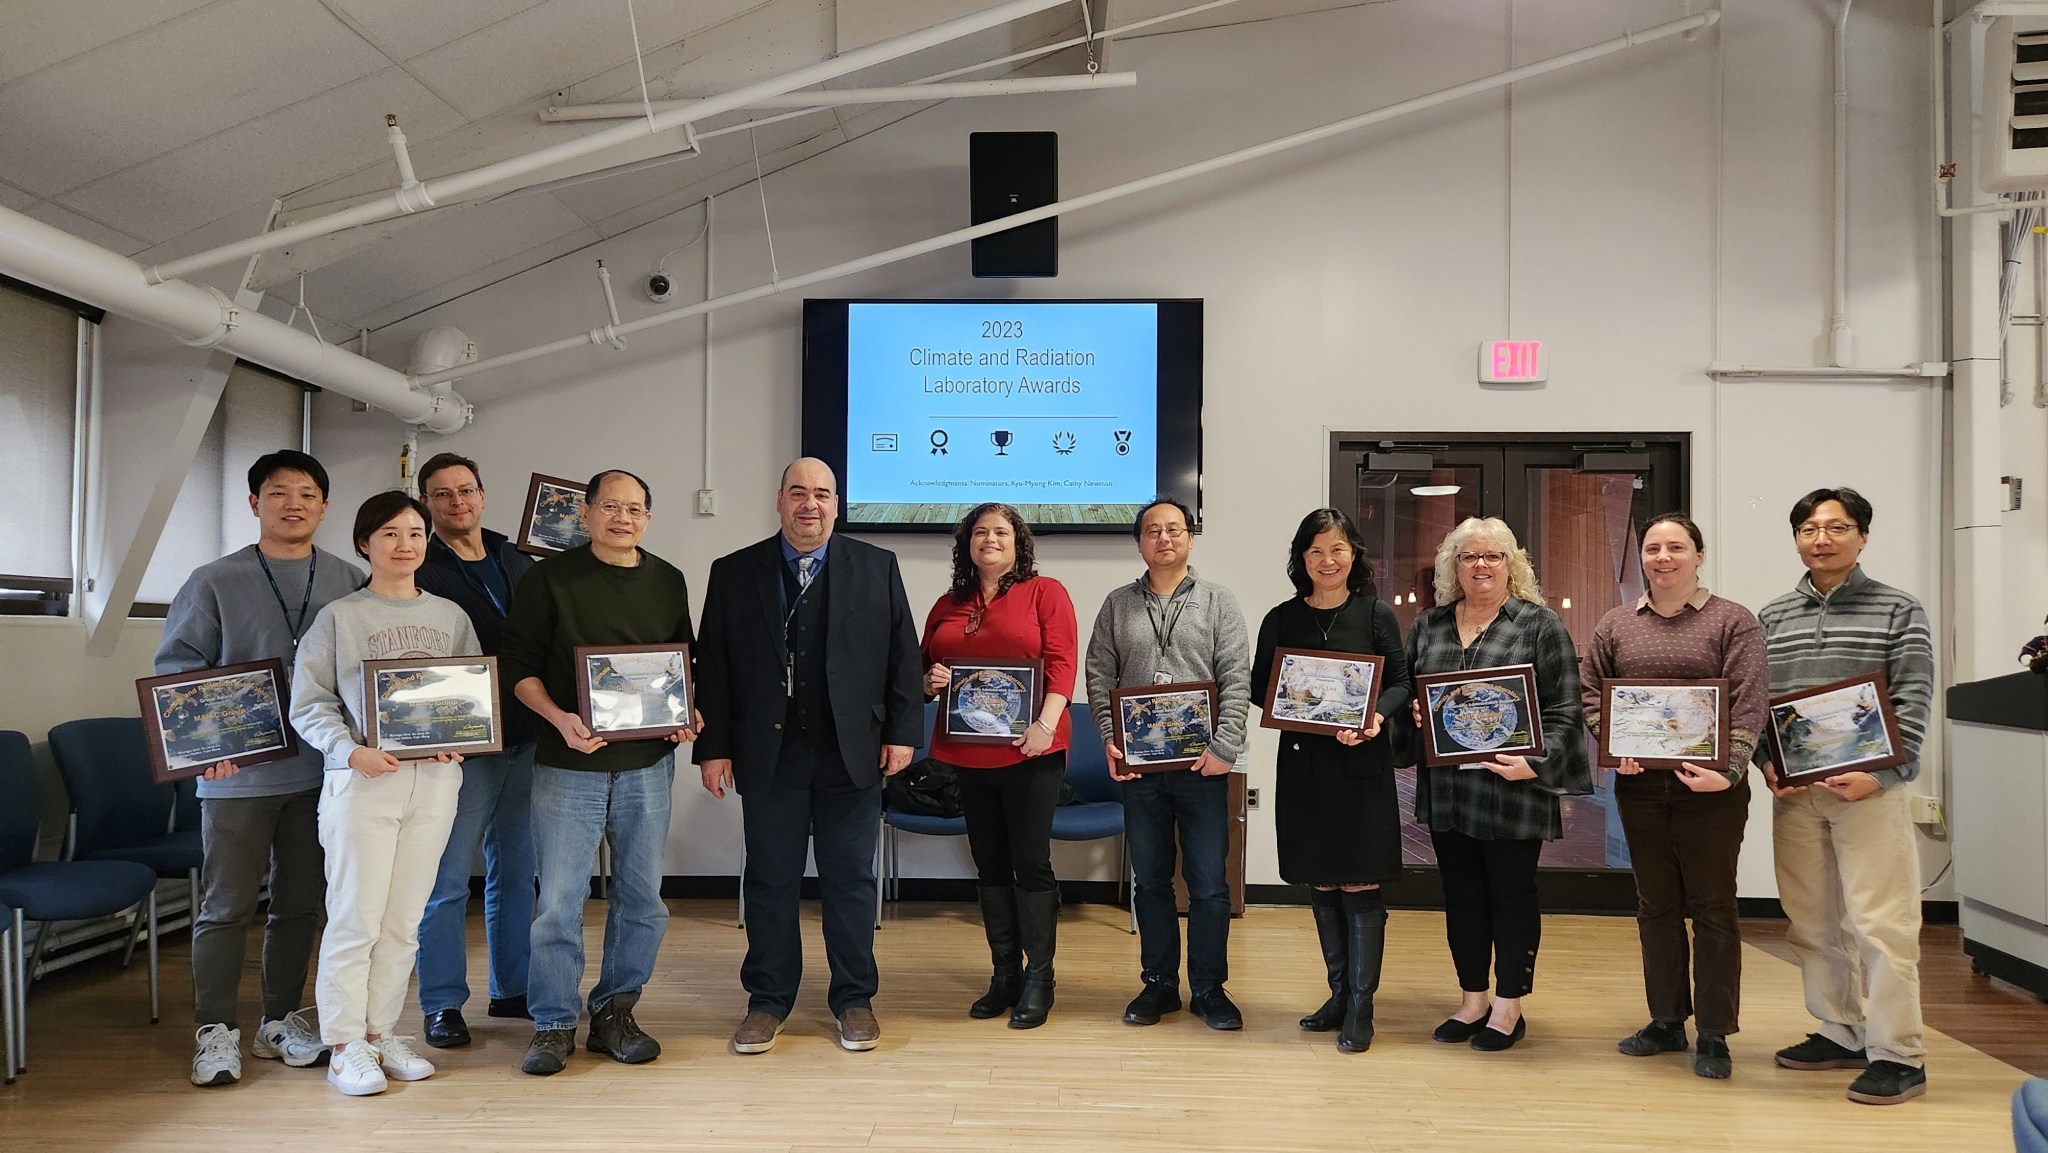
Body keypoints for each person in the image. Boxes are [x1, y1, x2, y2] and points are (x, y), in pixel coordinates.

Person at [693, 458, 922, 1055]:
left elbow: (904, 658)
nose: (809, 505)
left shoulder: (877, 567)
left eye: (821, 494)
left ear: (836, 504)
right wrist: (712, 748)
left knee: (850, 882)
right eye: (798, 493)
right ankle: (767, 1002)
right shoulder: (734, 572)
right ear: (779, 500)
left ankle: (854, 1000)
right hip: (769, 756)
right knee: (770, 882)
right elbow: (712, 667)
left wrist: (903, 734)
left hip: (854, 755)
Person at [155, 450, 365, 1087]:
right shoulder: (213, 580)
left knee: (300, 904)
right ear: (255, 504)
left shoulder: (350, 579)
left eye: (307, 493)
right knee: (226, 905)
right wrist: (206, 750)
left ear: (324, 507)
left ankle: (279, 1021)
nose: (293, 503)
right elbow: (176, 671)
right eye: (278, 493)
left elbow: (362, 677)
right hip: (235, 777)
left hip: (320, 774)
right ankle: (215, 1030)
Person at [499, 469, 699, 1076]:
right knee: (559, 900)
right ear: (584, 514)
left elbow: (680, 663)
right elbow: (519, 668)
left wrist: (686, 711)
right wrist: (560, 718)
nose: (622, 517)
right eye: (610, 506)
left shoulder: (668, 579)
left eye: (635, 508)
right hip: (568, 764)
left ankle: (615, 1010)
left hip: (647, 767)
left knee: (642, 899)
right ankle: (554, 1022)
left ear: (648, 517)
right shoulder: (549, 579)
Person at [289, 491, 476, 1096]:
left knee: (404, 921)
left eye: (416, 534)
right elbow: (309, 703)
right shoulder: (340, 617)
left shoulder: (450, 616)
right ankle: (344, 1043)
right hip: (363, 781)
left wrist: (461, 738)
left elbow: (471, 695)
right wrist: (350, 751)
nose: (406, 545)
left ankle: (380, 1033)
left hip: (435, 782)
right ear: (365, 543)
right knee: (355, 918)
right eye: (391, 534)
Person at [1755, 487, 1935, 1105]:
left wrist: (1882, 776)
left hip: (1868, 793)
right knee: (1811, 921)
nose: (1821, 539)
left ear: (1862, 536)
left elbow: (1913, 699)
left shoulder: (1897, 609)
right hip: (1796, 796)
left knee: (1881, 924)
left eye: (1836, 527)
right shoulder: (1772, 616)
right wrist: (1765, 763)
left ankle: (1898, 1052)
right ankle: (1839, 1029)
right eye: (1808, 528)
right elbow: (1756, 703)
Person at [1579, 513, 1769, 1080]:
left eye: (1676, 547)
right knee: (1655, 904)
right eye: (1653, 548)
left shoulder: (1732, 622)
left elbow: (1750, 701)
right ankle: (1666, 1020)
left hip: (1710, 788)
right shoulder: (1616, 624)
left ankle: (1714, 1030)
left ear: (1699, 555)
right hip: (1639, 786)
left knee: (1713, 906)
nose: (1663, 558)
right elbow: (1592, 693)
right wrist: (1613, 744)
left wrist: (1730, 771)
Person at [1404, 517, 1590, 1053]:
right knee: (1460, 895)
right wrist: (1418, 714)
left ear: (1512, 564)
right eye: (1468, 557)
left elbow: (1564, 708)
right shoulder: (1430, 625)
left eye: (1492, 556)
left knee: (1510, 896)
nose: (1480, 566)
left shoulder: (1539, 625)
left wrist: (1537, 762)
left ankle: (1509, 1007)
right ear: (1452, 567)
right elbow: (1414, 693)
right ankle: (1472, 1000)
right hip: (1448, 788)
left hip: (1513, 786)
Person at [1084, 497, 1252, 1030]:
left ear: (1190, 538)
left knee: (1208, 883)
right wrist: (1112, 739)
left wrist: (1225, 747)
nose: (1164, 538)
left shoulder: (1219, 602)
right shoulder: (1116, 605)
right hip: (1141, 770)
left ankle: (1208, 988)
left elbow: (1236, 678)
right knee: (1151, 880)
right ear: (1139, 542)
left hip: (1202, 767)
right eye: (1152, 530)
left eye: (1174, 529)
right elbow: (1098, 677)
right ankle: (1158, 985)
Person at [1250, 508, 1410, 1053]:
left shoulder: (1375, 615)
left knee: (1360, 878)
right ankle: (1338, 995)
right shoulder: (1280, 618)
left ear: (1354, 555)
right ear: (1302, 559)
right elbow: (1258, 687)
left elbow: (1401, 681)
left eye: (1338, 549)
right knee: (1321, 879)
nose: (1327, 560)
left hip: (1360, 766)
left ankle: (1362, 1007)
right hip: (1303, 768)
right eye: (1316, 550)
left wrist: (1375, 716)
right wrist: (1299, 701)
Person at [919, 503, 1079, 1029]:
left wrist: (1047, 725)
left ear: (1019, 543)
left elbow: (1061, 662)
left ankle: (1041, 979)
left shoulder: (1045, 592)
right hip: (967, 753)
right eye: (981, 532)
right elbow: (923, 670)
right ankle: (1004, 975)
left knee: (1030, 863)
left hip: (1032, 751)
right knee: (989, 865)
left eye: (1001, 532)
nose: (991, 539)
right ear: (967, 544)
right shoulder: (948, 603)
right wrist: (930, 682)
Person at [411, 453, 539, 1048]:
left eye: (466, 491)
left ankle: (513, 988)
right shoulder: (419, 568)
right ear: (427, 503)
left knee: (517, 872)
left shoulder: (518, 559)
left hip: (528, 740)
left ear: (484, 495)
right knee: (445, 880)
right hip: (459, 748)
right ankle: (441, 1003)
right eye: (442, 495)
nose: (457, 502)